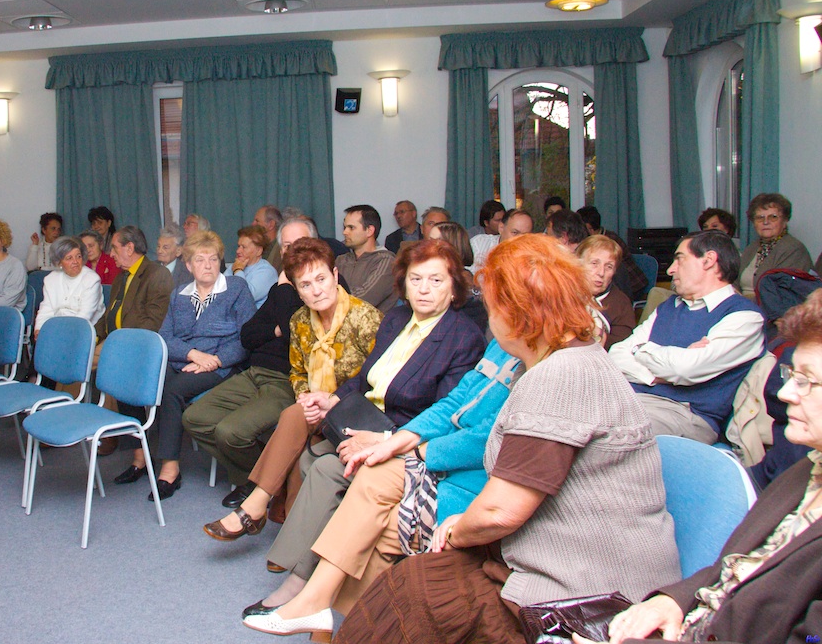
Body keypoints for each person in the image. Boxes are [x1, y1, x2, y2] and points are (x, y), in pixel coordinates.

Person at [321, 234, 680, 644]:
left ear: (516, 314)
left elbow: (500, 512)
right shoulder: (563, 360)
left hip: (588, 590)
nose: (489, 321)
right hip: (553, 553)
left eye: (492, 309)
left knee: (415, 586)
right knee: (398, 576)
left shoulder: (560, 375)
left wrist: (455, 529)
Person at [235, 240, 487, 619]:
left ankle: (299, 581)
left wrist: (385, 440)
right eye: (416, 279)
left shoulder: (462, 337)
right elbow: (364, 376)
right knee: (308, 453)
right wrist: (333, 400)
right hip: (363, 420)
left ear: (454, 286)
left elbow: (443, 414)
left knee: (323, 467)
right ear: (404, 284)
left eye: (436, 280)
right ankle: (307, 573)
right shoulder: (397, 319)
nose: (424, 289)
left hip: (405, 439)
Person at [581, 290, 822, 644]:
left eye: (807, 380)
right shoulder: (804, 472)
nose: (785, 393)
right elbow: (734, 567)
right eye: (792, 375)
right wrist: (674, 600)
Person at [241, 339, 521, 625]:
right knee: (331, 460)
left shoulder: (465, 337)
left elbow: (484, 437)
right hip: (400, 437)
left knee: (374, 507)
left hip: (457, 473)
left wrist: (393, 442)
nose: (493, 321)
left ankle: (322, 604)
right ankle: (310, 593)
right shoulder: (497, 344)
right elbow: (445, 402)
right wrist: (373, 430)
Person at [201, 238, 381, 536]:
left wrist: (332, 400)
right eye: (305, 285)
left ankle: (256, 505)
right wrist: (306, 398)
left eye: (321, 279)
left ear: (335, 276)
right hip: (317, 409)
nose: (316, 290)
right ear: (296, 290)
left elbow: (378, 377)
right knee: (297, 417)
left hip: (358, 409)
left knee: (292, 418)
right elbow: (297, 371)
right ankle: (278, 521)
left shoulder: (364, 318)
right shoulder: (299, 321)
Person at [184, 218, 318, 504]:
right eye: (286, 246)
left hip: (286, 380)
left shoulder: (317, 287)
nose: (292, 251)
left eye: (299, 244)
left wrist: (284, 291)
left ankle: (260, 484)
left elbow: (295, 335)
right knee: (194, 418)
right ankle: (264, 478)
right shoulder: (281, 289)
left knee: (230, 432)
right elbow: (248, 335)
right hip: (254, 371)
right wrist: (274, 329)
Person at [116, 231, 256, 499]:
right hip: (184, 360)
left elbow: (247, 337)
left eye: (213, 259)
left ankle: (169, 468)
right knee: (130, 379)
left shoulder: (236, 288)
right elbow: (165, 337)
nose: (208, 265)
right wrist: (193, 354)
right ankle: (140, 454)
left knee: (171, 389)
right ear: (189, 265)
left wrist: (215, 360)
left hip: (223, 366)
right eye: (200, 260)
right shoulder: (179, 294)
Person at [610, 230, 765, 444]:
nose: (671, 269)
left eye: (680, 259)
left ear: (709, 261)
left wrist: (640, 350)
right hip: (629, 398)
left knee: (605, 435)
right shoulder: (668, 307)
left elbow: (685, 369)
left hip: (685, 414)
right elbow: (615, 356)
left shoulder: (744, 317)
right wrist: (658, 374)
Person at [94, 225, 175, 456]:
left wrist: (120, 346)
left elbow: (154, 322)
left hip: (137, 345)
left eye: (114, 248)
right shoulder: (121, 277)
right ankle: (84, 421)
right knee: (77, 355)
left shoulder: (157, 275)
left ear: (129, 248)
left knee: (98, 364)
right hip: (114, 340)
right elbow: (108, 315)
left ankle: (109, 431)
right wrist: (93, 336)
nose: (111, 254)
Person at [738, 192, 812, 300]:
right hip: (741, 305)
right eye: (760, 218)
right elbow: (734, 281)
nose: (765, 222)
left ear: (785, 221)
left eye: (773, 217)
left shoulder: (794, 249)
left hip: (771, 309)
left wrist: (741, 302)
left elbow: (781, 296)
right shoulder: (752, 247)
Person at [34, 236, 105, 333]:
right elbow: (46, 309)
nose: (75, 262)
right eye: (69, 258)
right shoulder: (50, 279)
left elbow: (85, 315)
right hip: (58, 326)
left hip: (85, 329)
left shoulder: (92, 279)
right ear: (59, 262)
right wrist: (39, 328)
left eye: (78, 256)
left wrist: (63, 332)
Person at [578, 235, 636, 349]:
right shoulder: (561, 294)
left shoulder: (621, 303)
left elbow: (622, 345)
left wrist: (597, 335)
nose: (601, 272)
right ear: (578, 264)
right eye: (594, 263)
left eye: (609, 267)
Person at [336, 204, 397, 313]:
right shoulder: (341, 260)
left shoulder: (386, 261)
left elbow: (363, 299)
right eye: (345, 227)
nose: (344, 232)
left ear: (369, 230)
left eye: (351, 227)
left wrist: (329, 298)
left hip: (374, 324)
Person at [226, 224, 278, 308]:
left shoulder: (267, 272)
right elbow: (218, 291)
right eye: (238, 246)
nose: (238, 251)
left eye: (244, 247)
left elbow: (246, 297)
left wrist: (238, 270)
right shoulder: (234, 266)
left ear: (258, 251)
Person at [471, 208, 533, 273]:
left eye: (525, 235)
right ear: (501, 228)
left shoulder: (532, 258)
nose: (519, 239)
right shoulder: (479, 244)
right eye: (515, 233)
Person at [155, 223, 192, 288]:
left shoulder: (187, 274)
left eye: (165, 247)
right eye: (158, 246)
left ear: (178, 251)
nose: (159, 251)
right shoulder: (149, 269)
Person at [254, 205, 284, 271]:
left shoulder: (281, 251)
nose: (253, 224)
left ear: (271, 224)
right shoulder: (260, 247)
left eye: (257, 221)